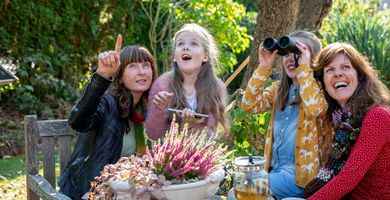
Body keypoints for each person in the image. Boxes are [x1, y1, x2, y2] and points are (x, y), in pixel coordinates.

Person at [58, 35, 158, 199]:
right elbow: (78, 122)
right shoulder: (107, 102)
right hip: (92, 189)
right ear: (119, 76)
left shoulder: (149, 109)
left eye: (146, 65)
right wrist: (101, 76)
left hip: (131, 189)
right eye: (133, 66)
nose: (141, 72)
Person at [241, 30, 333, 199]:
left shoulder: (320, 90)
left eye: (297, 53)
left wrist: (304, 70)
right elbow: (248, 105)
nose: (290, 59)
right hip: (276, 175)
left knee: (242, 190)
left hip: (302, 181)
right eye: (286, 54)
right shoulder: (278, 90)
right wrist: (264, 67)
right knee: (246, 191)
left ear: (311, 59)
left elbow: (315, 109)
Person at [304, 42, 390, 200]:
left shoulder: (377, 117)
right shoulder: (340, 120)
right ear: (322, 83)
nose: (338, 73)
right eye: (330, 70)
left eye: (345, 67)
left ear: (360, 76)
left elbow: (347, 178)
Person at [146, 23, 227, 140]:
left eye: (193, 43)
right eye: (180, 44)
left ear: (205, 57)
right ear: (175, 56)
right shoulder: (161, 84)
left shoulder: (217, 87)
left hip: (201, 156)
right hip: (167, 156)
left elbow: (210, 136)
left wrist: (191, 126)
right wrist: (159, 109)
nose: (185, 47)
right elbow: (153, 135)